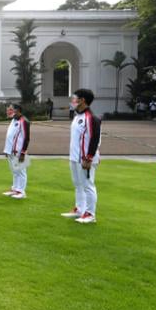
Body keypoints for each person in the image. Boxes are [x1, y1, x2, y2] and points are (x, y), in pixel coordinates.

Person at [60, 89, 101, 224]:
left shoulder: (91, 118)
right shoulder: (77, 116)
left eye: (74, 98)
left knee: (88, 185)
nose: (72, 101)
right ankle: (80, 209)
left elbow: (94, 139)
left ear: (82, 100)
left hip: (85, 158)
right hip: (75, 157)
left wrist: (88, 157)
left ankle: (90, 214)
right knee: (78, 184)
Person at [2, 102, 31, 199]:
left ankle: (21, 191)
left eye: (10, 109)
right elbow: (10, 136)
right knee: (14, 171)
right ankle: (15, 189)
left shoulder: (24, 121)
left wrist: (23, 152)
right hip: (11, 151)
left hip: (19, 151)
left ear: (17, 110)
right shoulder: (13, 120)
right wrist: (7, 150)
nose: (8, 111)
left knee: (21, 171)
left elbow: (27, 138)